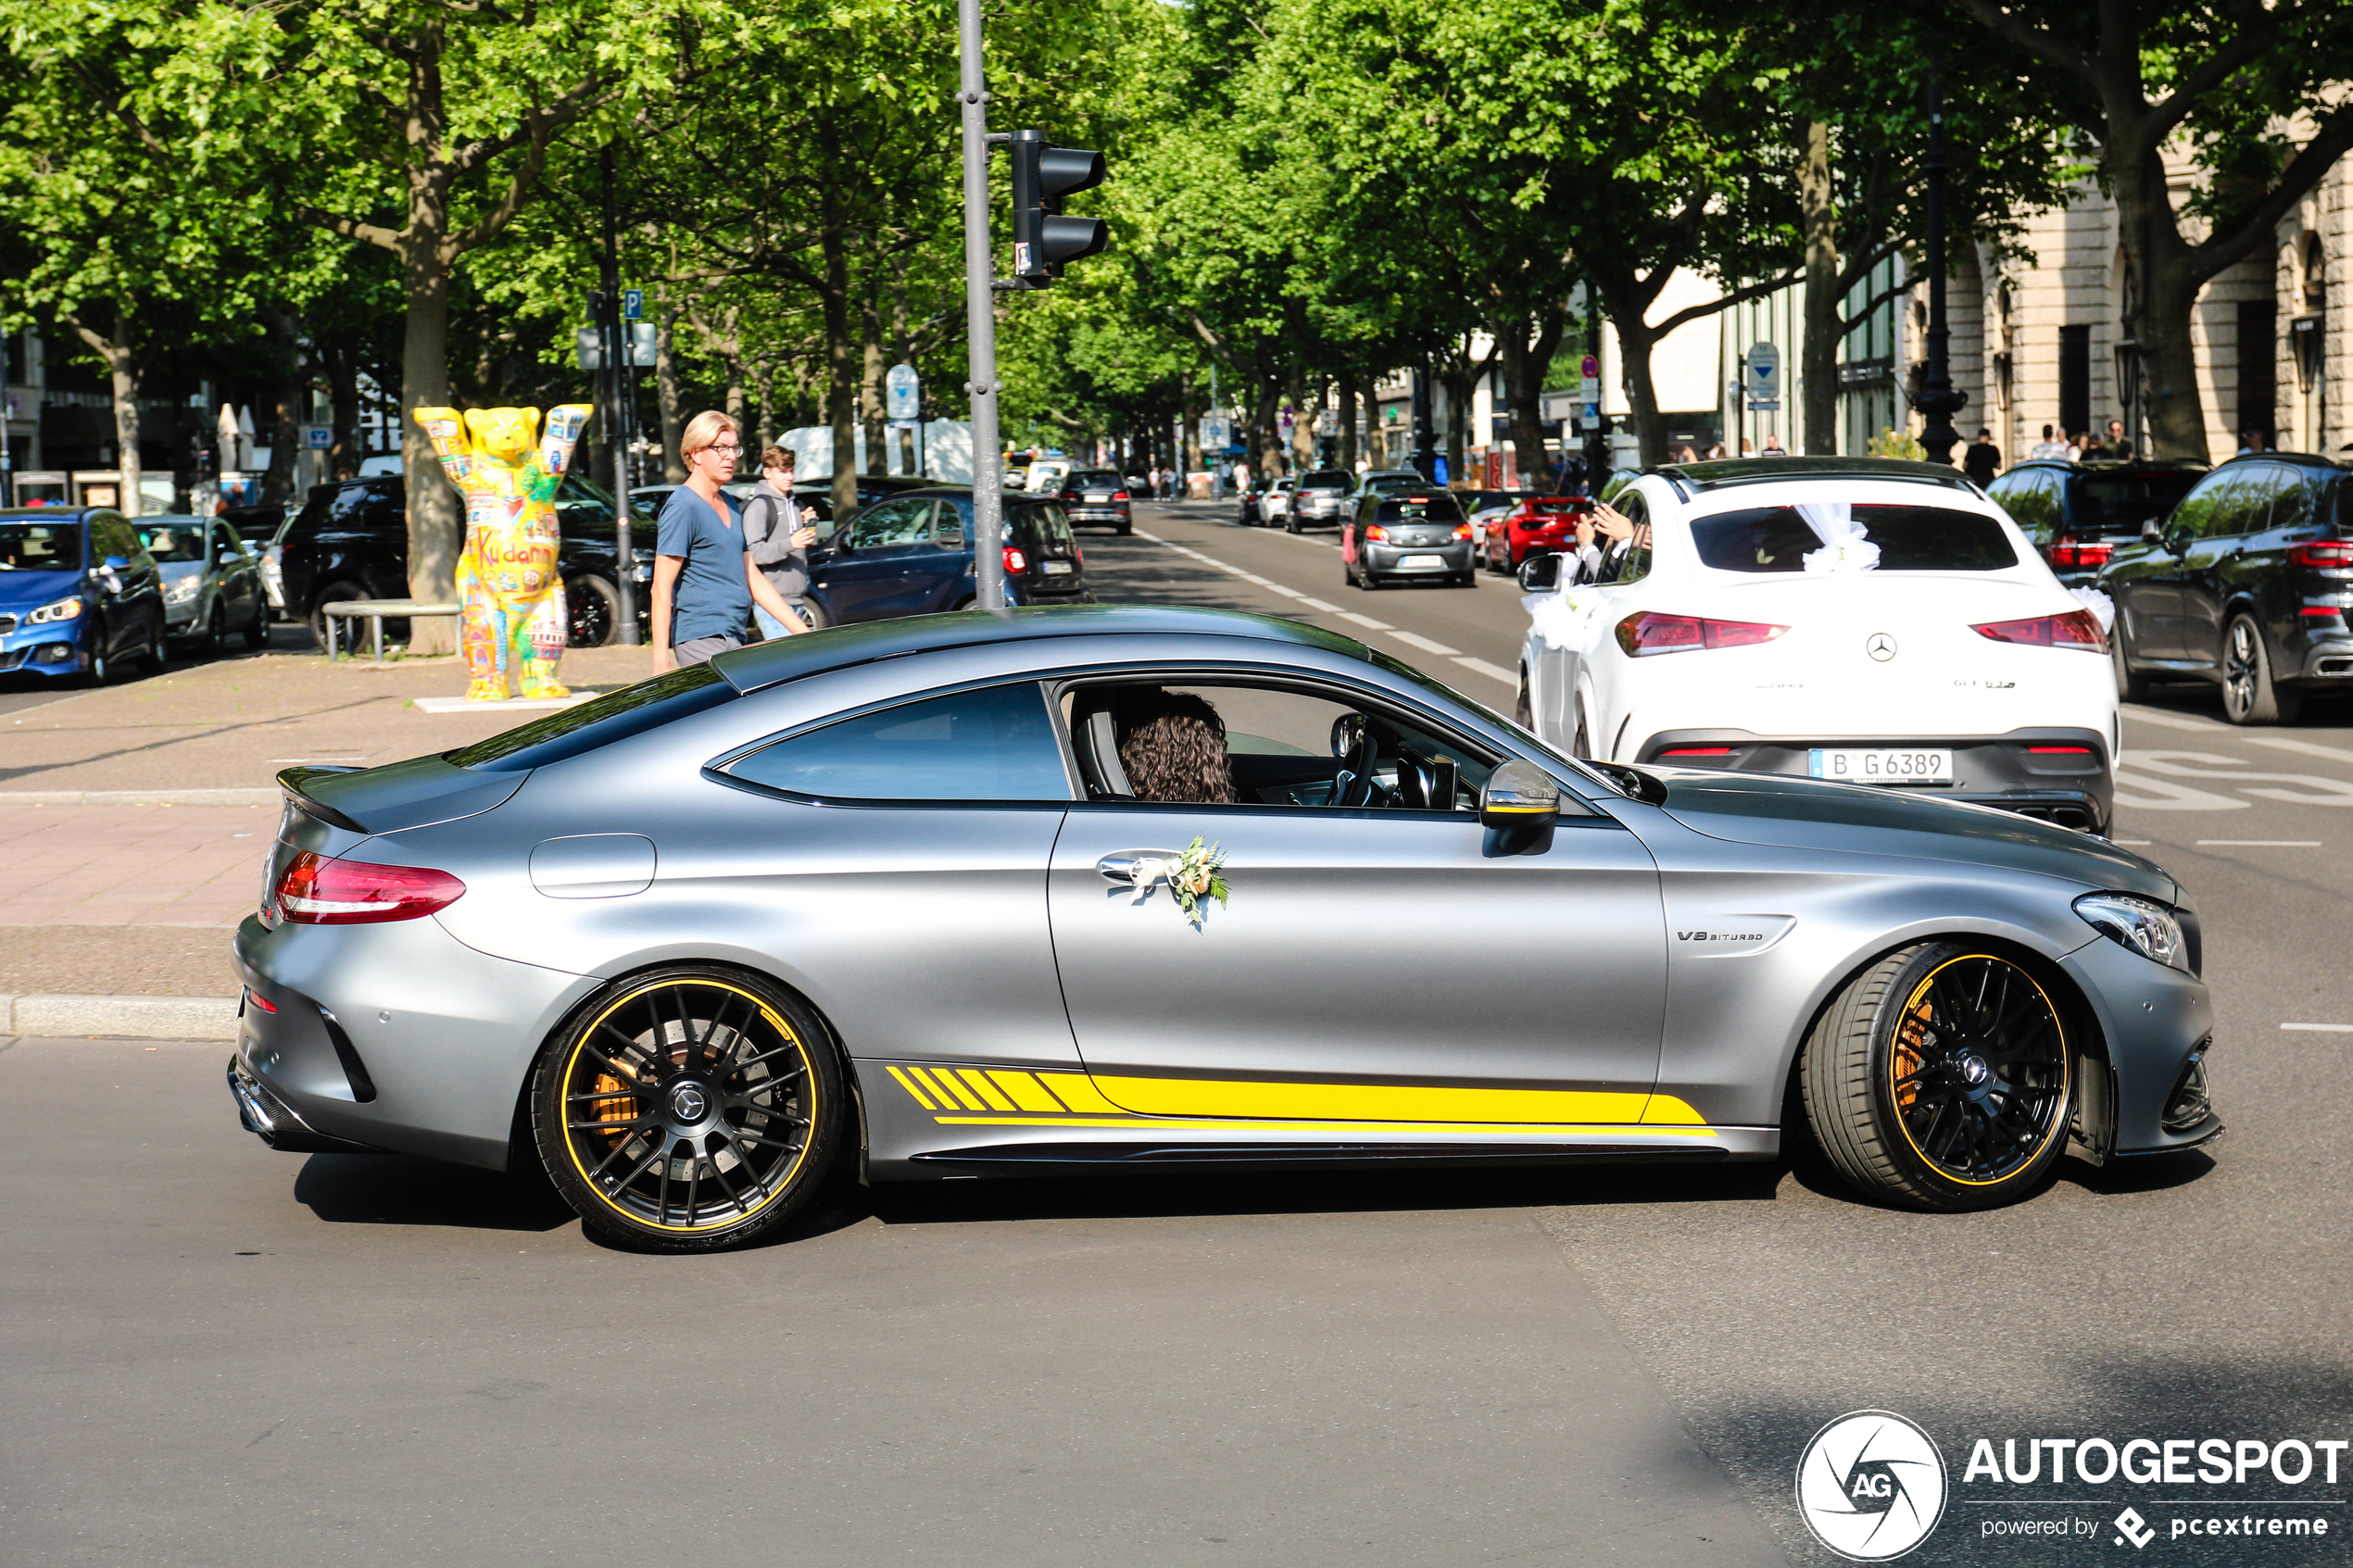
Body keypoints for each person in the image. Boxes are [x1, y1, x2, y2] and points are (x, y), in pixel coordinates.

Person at [650, 410, 807, 672]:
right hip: (700, 639)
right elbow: (660, 588)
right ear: (696, 453)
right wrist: (660, 662)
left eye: (735, 448)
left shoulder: (732, 504)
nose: (731, 456)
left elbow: (753, 577)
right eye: (721, 448)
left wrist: (803, 633)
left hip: (733, 636)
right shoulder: (683, 506)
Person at [743, 445, 821, 640]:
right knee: (789, 664)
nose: (789, 477)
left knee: (794, 662)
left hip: (797, 599)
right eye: (783, 472)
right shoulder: (760, 506)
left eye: (791, 471)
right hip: (772, 603)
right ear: (767, 472)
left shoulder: (795, 505)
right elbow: (754, 553)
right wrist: (790, 543)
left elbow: (801, 544)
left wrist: (809, 525)